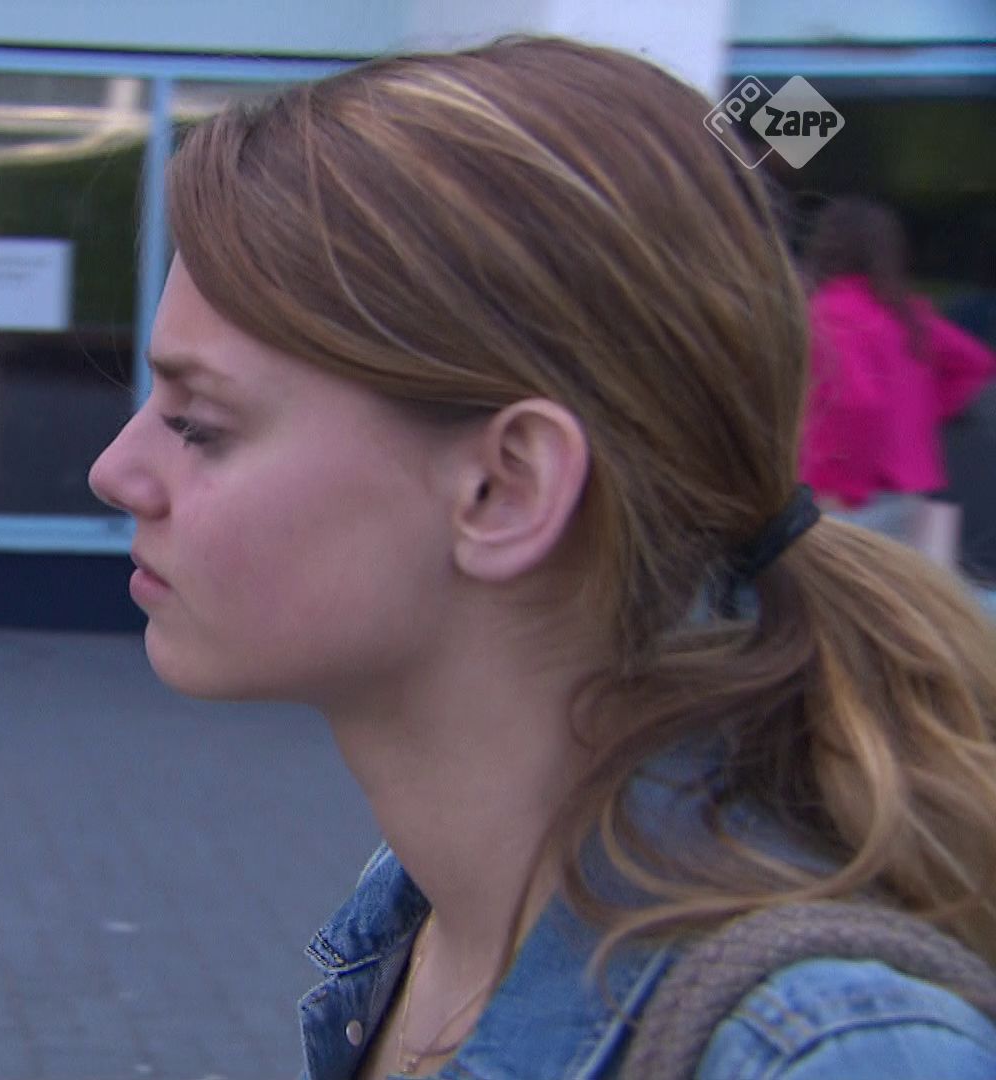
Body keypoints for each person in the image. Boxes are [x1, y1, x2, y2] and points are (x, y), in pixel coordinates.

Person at [88, 36, 996, 1080]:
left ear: (506, 487)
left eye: (199, 424)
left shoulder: (826, 1057)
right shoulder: (428, 909)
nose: (117, 472)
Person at [799, 196, 995, 551]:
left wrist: (840, 486)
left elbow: (858, 403)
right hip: (907, 494)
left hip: (845, 496)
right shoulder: (907, 315)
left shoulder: (827, 312)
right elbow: (976, 363)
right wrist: (921, 410)